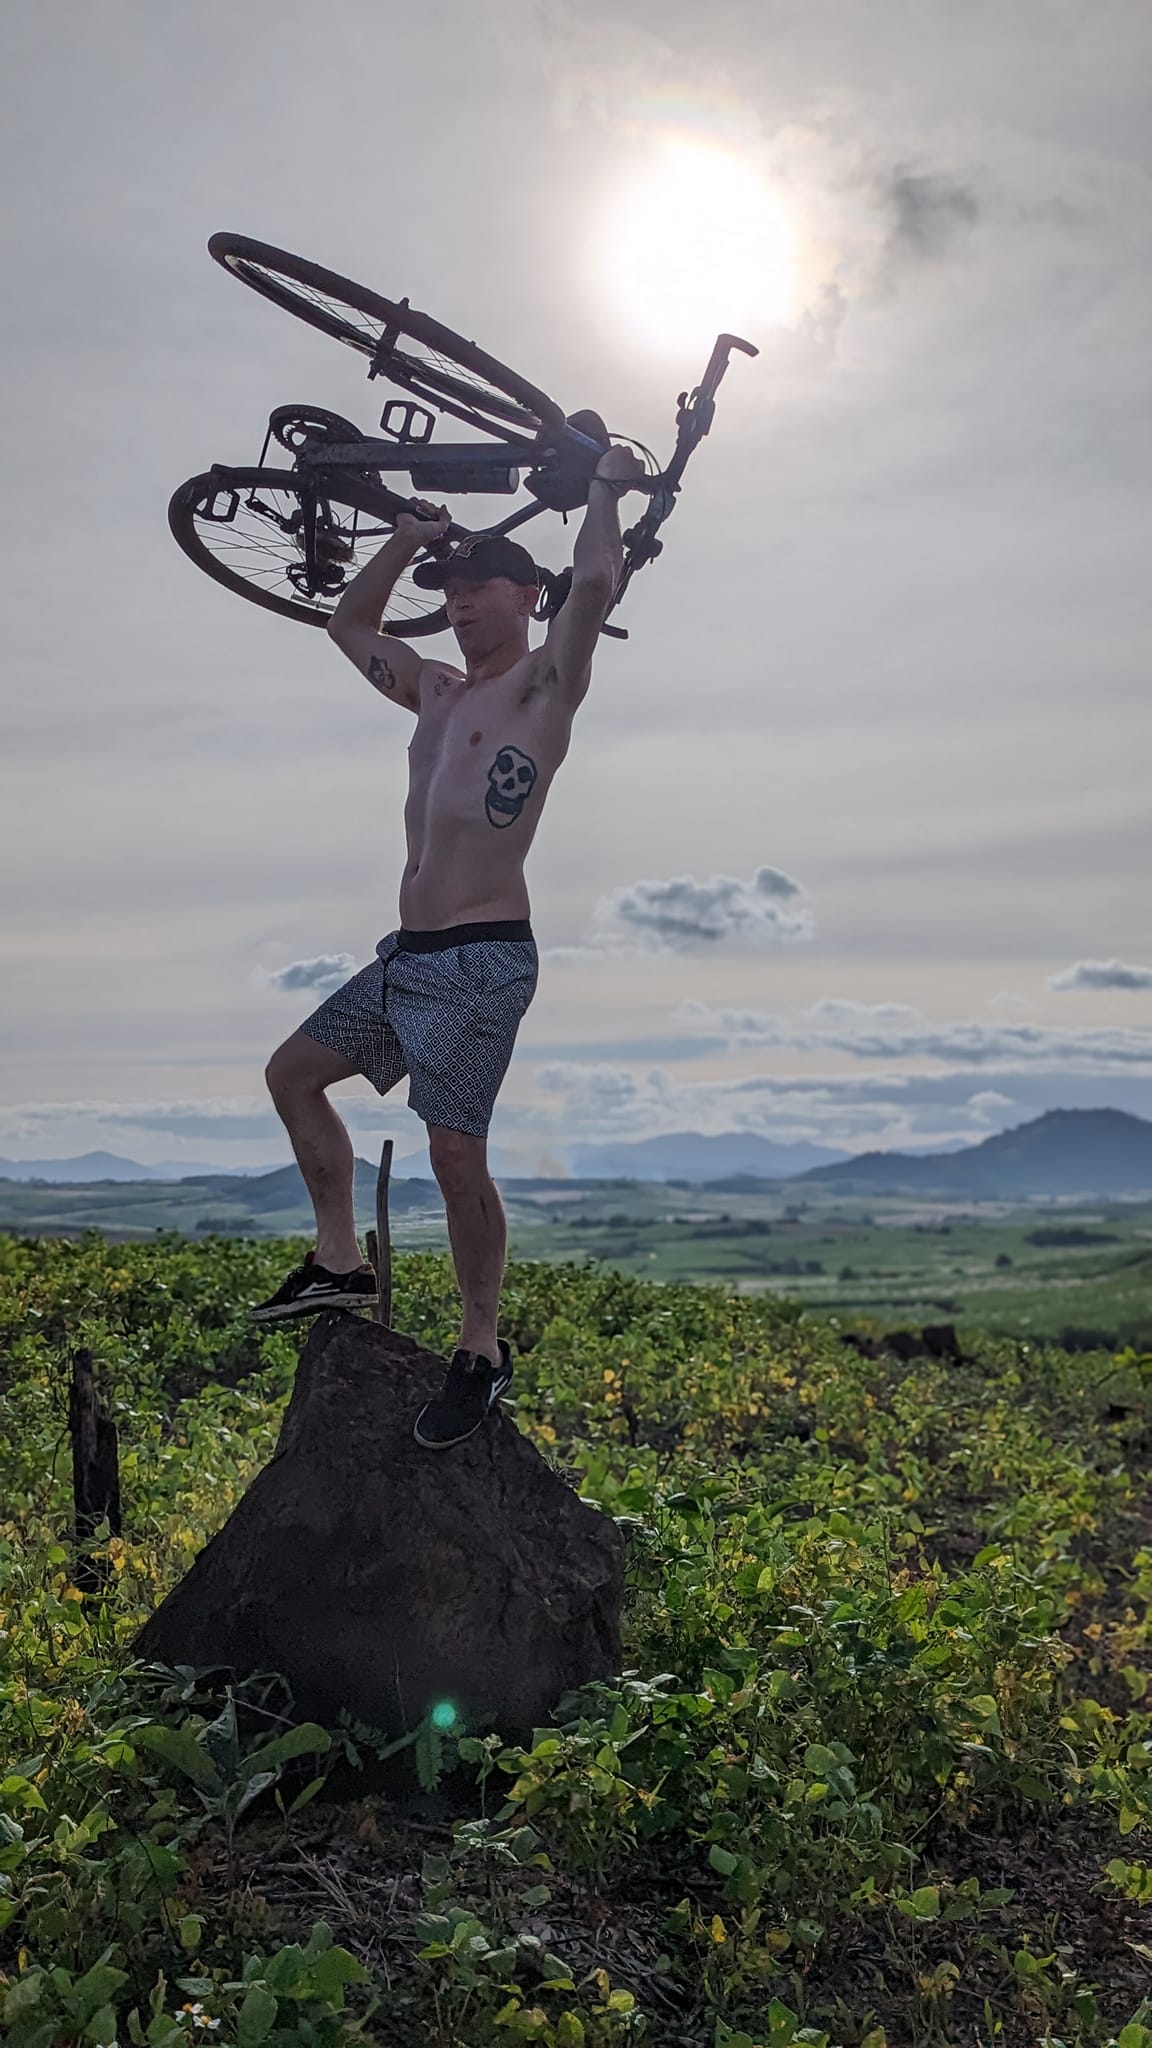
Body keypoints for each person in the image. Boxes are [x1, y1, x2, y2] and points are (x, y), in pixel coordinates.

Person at [250, 432, 646, 1450]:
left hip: (481, 959)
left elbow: (597, 581)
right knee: (293, 1073)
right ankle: (340, 1260)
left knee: (453, 1150)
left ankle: (480, 1347)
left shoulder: (544, 685)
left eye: (482, 587)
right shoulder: (432, 692)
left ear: (526, 598)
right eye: (453, 589)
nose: (462, 601)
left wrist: (604, 483)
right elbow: (347, 622)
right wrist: (409, 536)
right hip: (407, 958)